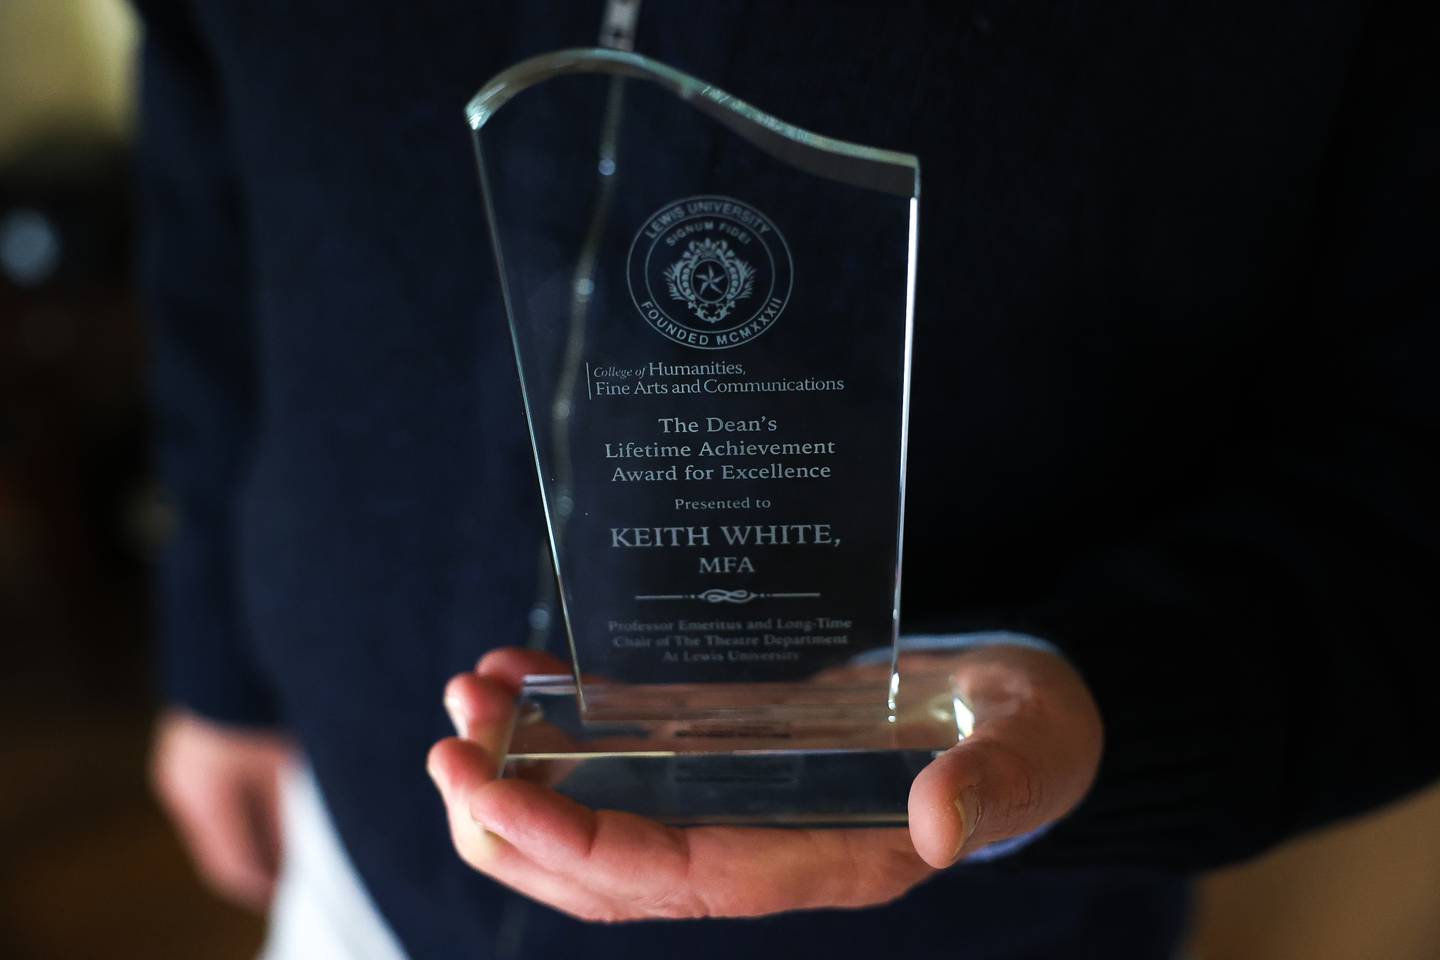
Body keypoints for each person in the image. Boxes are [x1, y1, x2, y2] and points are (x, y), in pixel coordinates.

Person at [137, 1, 1438, 958]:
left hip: (961, 906)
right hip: (363, 828)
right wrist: (216, 654)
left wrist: (1116, 705)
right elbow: (204, 161)